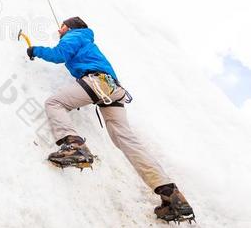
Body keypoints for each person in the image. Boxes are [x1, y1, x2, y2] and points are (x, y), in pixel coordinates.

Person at [27, 16, 195, 223]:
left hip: (98, 82)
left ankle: (74, 147)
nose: (59, 30)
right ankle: (172, 195)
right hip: (113, 88)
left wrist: (34, 50)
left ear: (70, 27)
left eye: (62, 26)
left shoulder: (75, 35)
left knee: (54, 103)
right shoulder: (86, 40)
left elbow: (58, 54)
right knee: (124, 139)